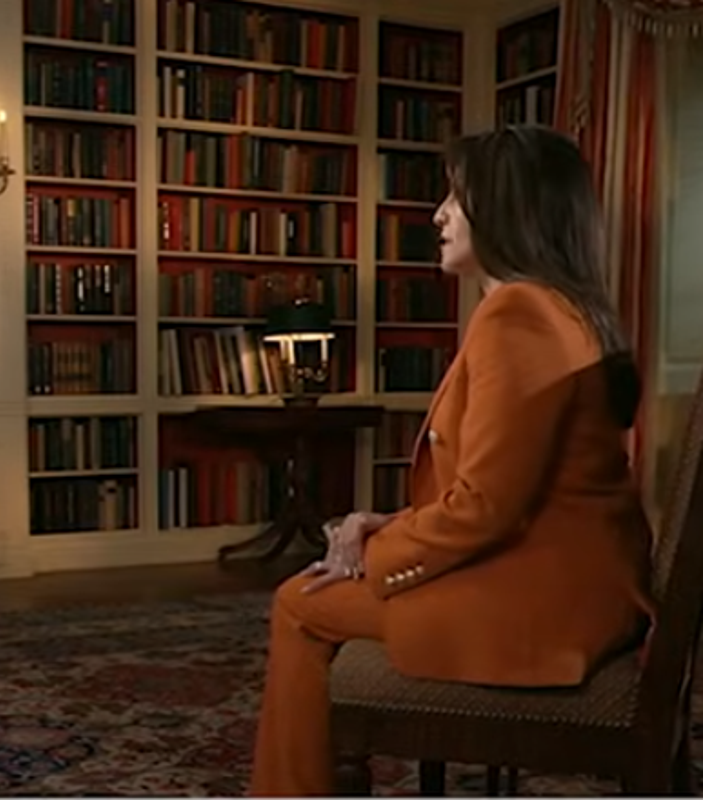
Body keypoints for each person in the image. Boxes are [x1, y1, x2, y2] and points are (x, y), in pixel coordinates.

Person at [248, 125, 655, 796]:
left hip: (545, 604)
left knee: (299, 602)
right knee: (322, 586)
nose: (439, 215)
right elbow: (509, 487)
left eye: (456, 198)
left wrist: (373, 555)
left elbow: (486, 508)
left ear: (506, 210)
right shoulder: (566, 309)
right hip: (578, 582)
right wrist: (386, 526)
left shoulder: (519, 315)